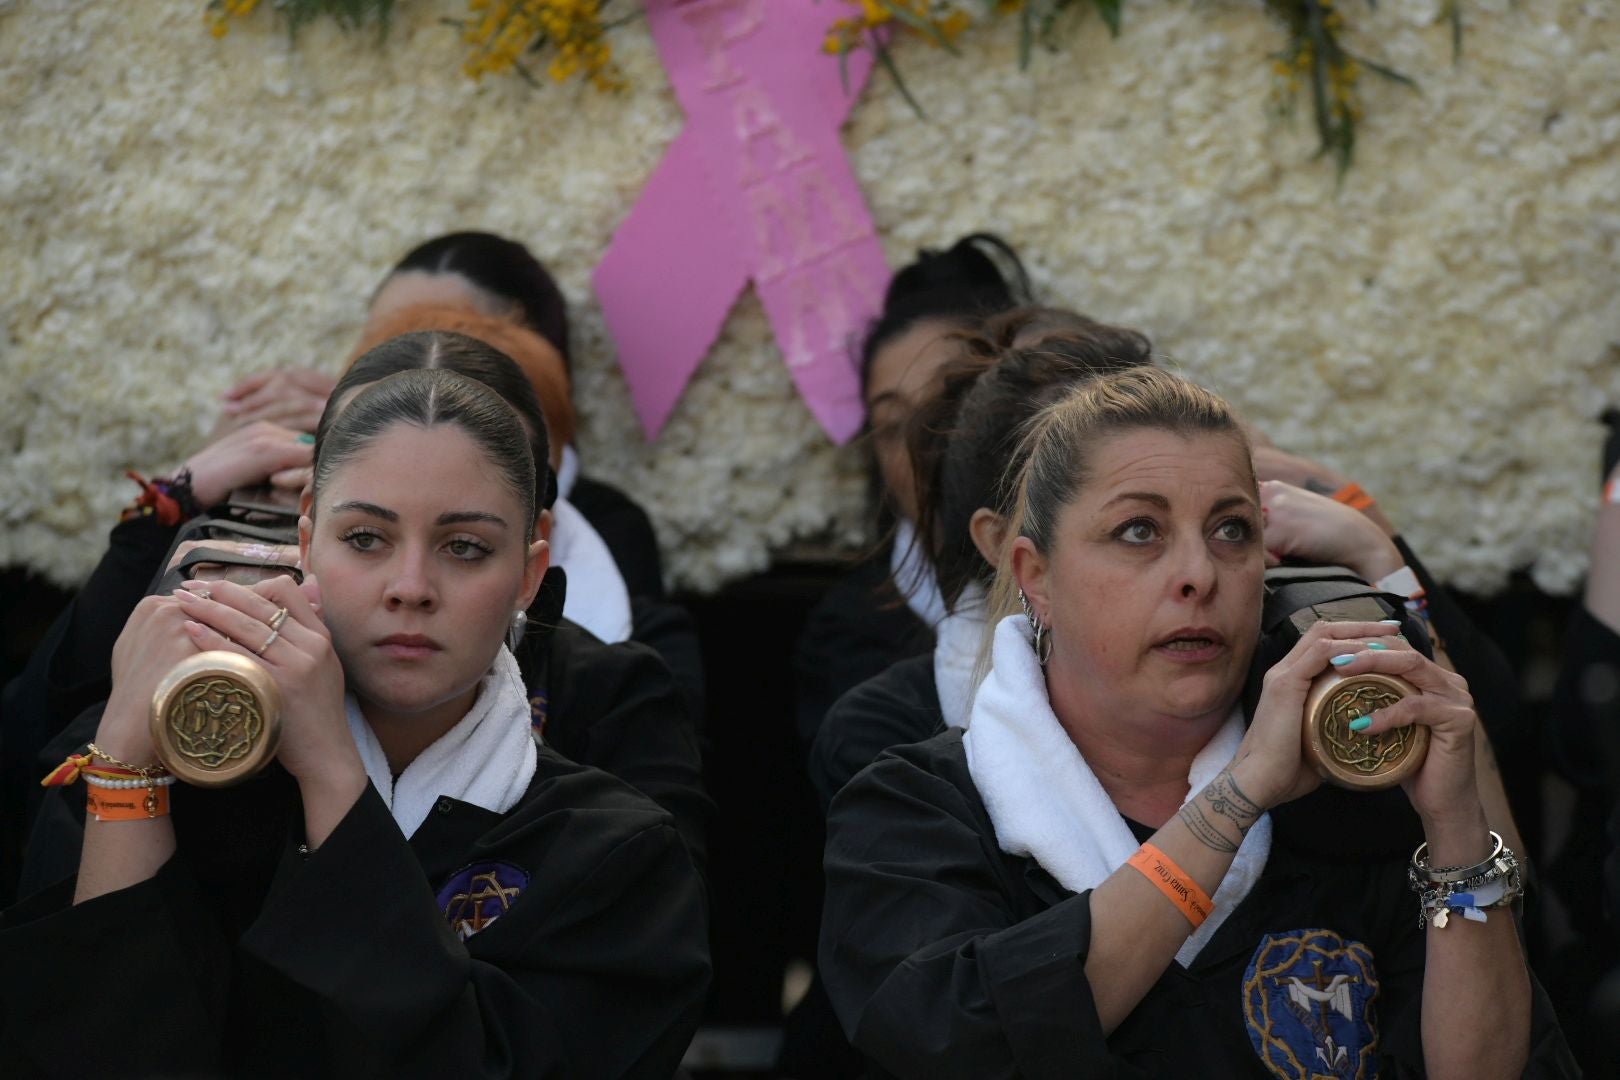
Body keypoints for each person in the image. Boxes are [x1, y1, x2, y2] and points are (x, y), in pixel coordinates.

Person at [820, 366, 1572, 1076]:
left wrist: (1456, 829)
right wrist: (1238, 796)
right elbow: (965, 1044)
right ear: (1035, 577)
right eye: (1139, 531)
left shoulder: (1355, 791)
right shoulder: (918, 809)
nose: (1199, 574)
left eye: (1232, 531)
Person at [1, 368, 710, 1076]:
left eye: (464, 546)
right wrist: (127, 765)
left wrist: (333, 770)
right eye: (366, 538)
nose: (410, 588)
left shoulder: (615, 852)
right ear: (306, 540)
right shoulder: (179, 771)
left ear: (529, 575)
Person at [794, 234, 1031, 748]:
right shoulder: (850, 636)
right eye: (893, 424)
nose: (922, 445)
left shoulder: (1095, 583)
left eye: (947, 409)